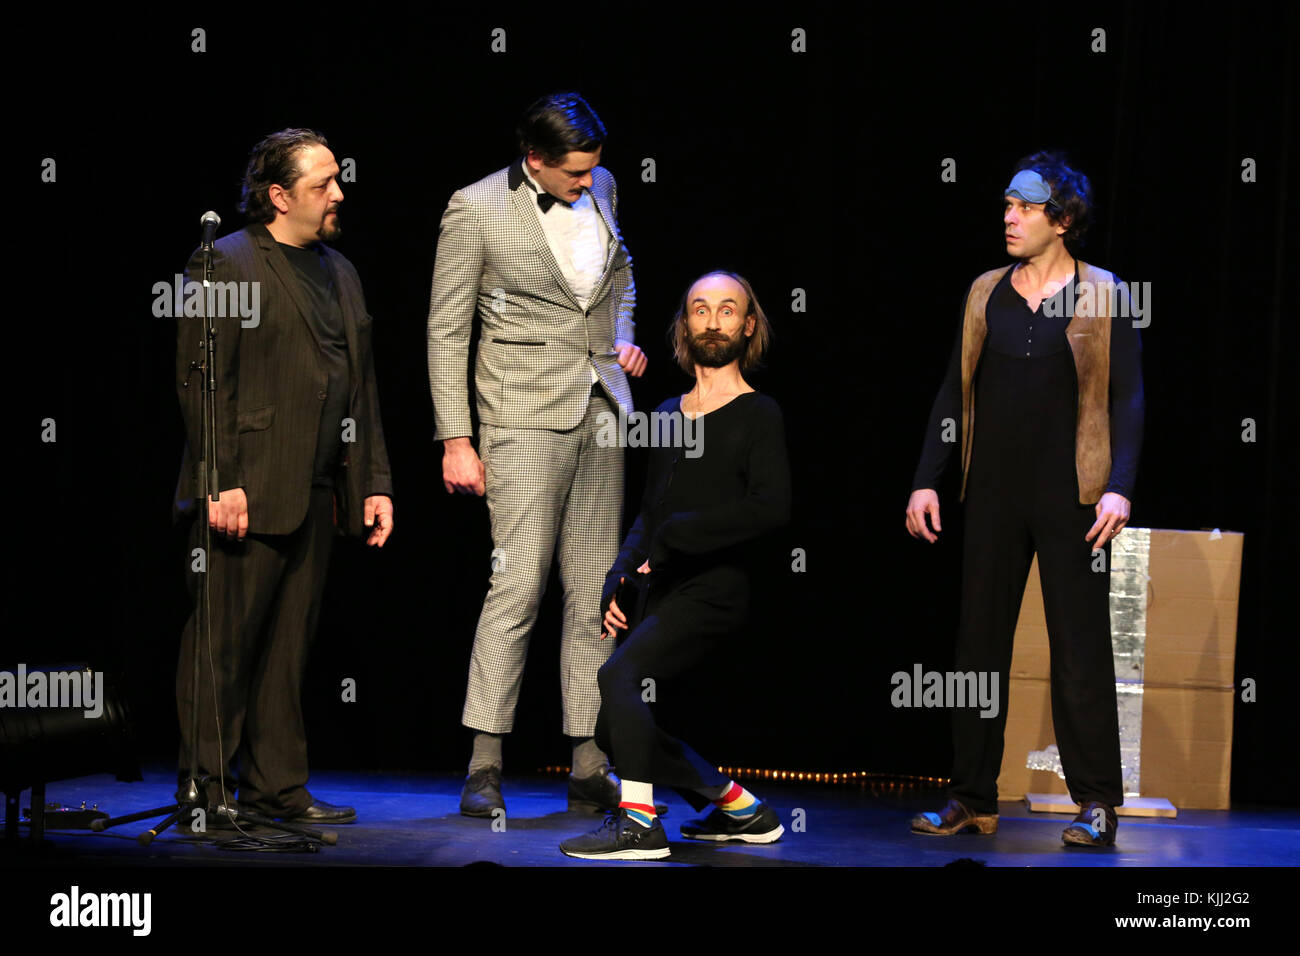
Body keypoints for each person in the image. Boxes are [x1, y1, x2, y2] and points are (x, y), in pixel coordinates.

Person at [905, 152, 1144, 847]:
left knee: (1080, 651)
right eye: (1007, 204)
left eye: (1026, 206)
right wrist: (928, 475)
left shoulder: (1103, 292)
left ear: (1062, 219)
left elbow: (1129, 398)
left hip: (1074, 496)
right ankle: (971, 797)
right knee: (976, 646)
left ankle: (1097, 802)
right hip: (993, 495)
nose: (1009, 217)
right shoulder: (985, 292)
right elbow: (955, 390)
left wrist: (1120, 487)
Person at [427, 93, 648, 817]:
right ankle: (484, 762)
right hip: (519, 414)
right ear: (535, 160)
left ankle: (588, 761)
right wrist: (456, 438)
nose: (587, 184)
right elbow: (446, 329)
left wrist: (620, 334)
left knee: (594, 594)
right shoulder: (474, 207)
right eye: (574, 174)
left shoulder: (604, 186)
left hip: (601, 411)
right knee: (516, 590)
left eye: (593, 171)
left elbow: (623, 276)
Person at [173, 129, 394, 826]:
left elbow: (360, 389)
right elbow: (203, 382)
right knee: (224, 644)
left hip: (317, 489)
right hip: (245, 487)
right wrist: (221, 479)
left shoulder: (342, 271)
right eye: (322, 184)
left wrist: (373, 483)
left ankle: (277, 788)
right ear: (278, 196)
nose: (338, 193)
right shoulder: (225, 263)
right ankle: (204, 791)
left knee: (287, 650)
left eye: (336, 180)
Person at [559, 271, 791, 860]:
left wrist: (676, 538)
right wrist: (619, 573)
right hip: (661, 589)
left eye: (727, 310)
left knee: (618, 679)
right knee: (616, 727)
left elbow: (770, 509)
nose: (713, 321)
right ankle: (741, 808)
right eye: (700, 310)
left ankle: (639, 824)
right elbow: (649, 511)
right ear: (685, 325)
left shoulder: (758, 413)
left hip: (717, 590)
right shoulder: (666, 411)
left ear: (749, 324)